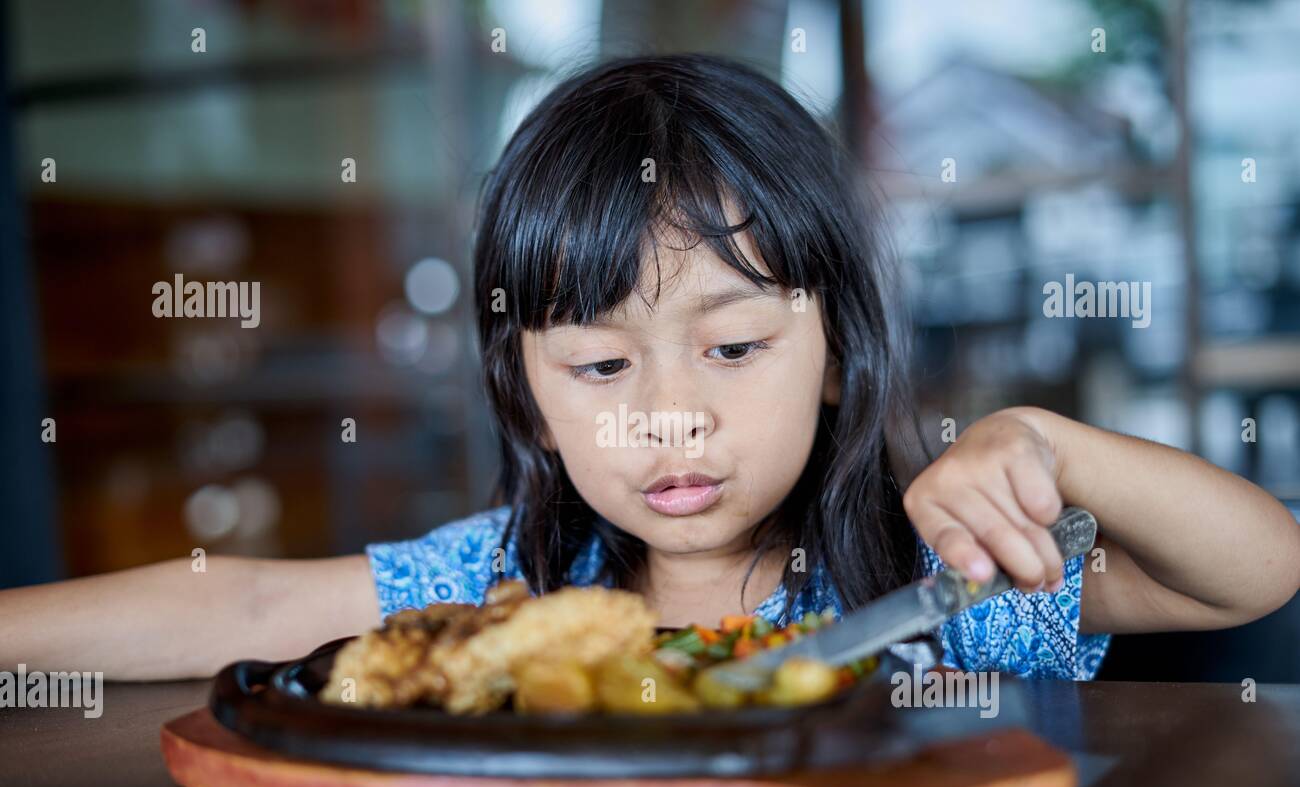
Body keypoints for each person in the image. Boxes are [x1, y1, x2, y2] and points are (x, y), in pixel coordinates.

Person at [3, 54, 1296, 681]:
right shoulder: (500, 585)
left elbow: (1254, 571)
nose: (672, 415)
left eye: (734, 348)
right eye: (600, 366)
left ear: (839, 349)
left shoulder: (950, 583)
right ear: (528, 393)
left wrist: (1045, 440)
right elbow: (232, 610)